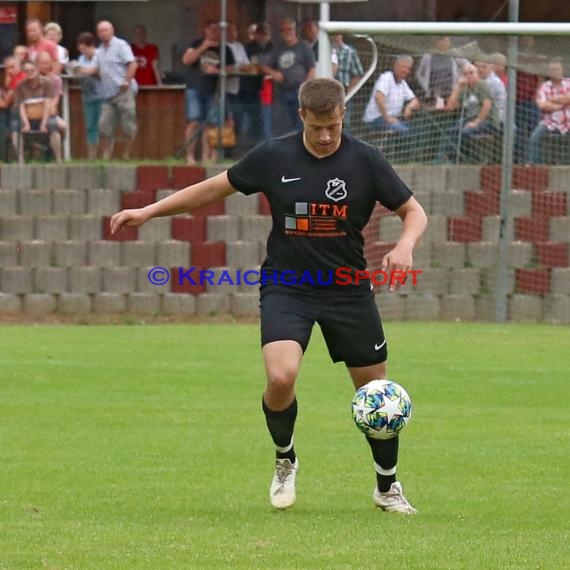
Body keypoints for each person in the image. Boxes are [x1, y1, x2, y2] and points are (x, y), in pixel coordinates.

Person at [110, 78, 427, 514]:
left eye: (332, 126)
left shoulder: (365, 161)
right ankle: (285, 458)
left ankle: (386, 487)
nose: (325, 136)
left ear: (342, 117)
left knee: (376, 393)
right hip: (288, 287)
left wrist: (405, 245)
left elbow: (413, 210)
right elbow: (210, 189)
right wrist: (148, 210)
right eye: (317, 126)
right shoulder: (273, 155)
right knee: (281, 378)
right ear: (301, 116)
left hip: (348, 290)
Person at [181, 20, 236, 165]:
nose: (214, 32)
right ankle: (190, 157)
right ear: (205, 30)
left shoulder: (225, 48)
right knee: (193, 122)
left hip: (214, 90)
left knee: (211, 124)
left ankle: (207, 157)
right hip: (195, 88)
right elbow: (186, 60)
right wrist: (204, 46)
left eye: (217, 30)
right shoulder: (196, 43)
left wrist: (217, 71)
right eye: (211, 29)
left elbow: (231, 69)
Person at [434, 63, 499, 163]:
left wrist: (477, 122)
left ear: (477, 74)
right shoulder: (465, 89)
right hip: (468, 120)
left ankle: (465, 159)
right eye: (465, 74)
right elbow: (450, 107)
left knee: (465, 131)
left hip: (488, 121)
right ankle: (440, 159)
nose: (468, 76)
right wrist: (457, 88)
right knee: (451, 131)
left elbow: (487, 105)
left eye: (471, 73)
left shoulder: (482, 85)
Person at [262, 18, 316, 136]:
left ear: (295, 30)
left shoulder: (304, 46)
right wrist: (274, 73)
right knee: (284, 124)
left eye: (289, 29)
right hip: (282, 91)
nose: (287, 32)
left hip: (299, 91)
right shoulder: (278, 48)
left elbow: (312, 69)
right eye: (284, 30)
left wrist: (305, 84)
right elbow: (264, 66)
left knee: (300, 123)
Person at [96, 20, 138, 160]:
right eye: (100, 31)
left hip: (124, 92)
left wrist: (126, 81)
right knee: (104, 125)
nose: (103, 33)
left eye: (105, 30)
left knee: (128, 125)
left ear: (112, 31)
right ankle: (106, 156)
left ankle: (126, 154)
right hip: (107, 94)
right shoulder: (100, 50)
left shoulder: (121, 45)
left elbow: (132, 64)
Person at [13, 60, 63, 163]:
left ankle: (58, 159)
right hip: (27, 116)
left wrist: (43, 124)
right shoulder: (20, 86)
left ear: (37, 70)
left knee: (53, 126)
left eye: (32, 70)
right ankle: (20, 159)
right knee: (15, 127)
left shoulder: (47, 83)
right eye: (26, 71)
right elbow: (21, 107)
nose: (30, 73)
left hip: (44, 115)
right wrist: (26, 124)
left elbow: (47, 105)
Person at [528, 60, 570, 164]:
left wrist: (551, 100)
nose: (555, 72)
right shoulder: (544, 86)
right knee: (534, 137)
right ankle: (534, 164)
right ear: (549, 73)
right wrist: (563, 103)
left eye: (557, 69)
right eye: (552, 70)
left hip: (568, 120)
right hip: (549, 122)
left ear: (562, 70)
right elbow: (542, 106)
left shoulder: (569, 82)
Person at [71, 31, 103, 160]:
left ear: (91, 46)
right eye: (81, 49)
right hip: (88, 95)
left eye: (85, 49)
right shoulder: (82, 59)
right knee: (90, 125)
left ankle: (105, 155)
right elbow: (80, 72)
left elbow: (97, 70)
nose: (83, 52)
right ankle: (92, 156)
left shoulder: (100, 55)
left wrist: (82, 70)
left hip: (102, 94)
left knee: (104, 125)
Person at [331, 33, 364, 131]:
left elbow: (358, 73)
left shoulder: (350, 51)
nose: (335, 36)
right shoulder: (325, 49)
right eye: (333, 34)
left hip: (344, 89)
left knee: (346, 121)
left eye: (337, 34)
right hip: (328, 89)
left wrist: (350, 91)